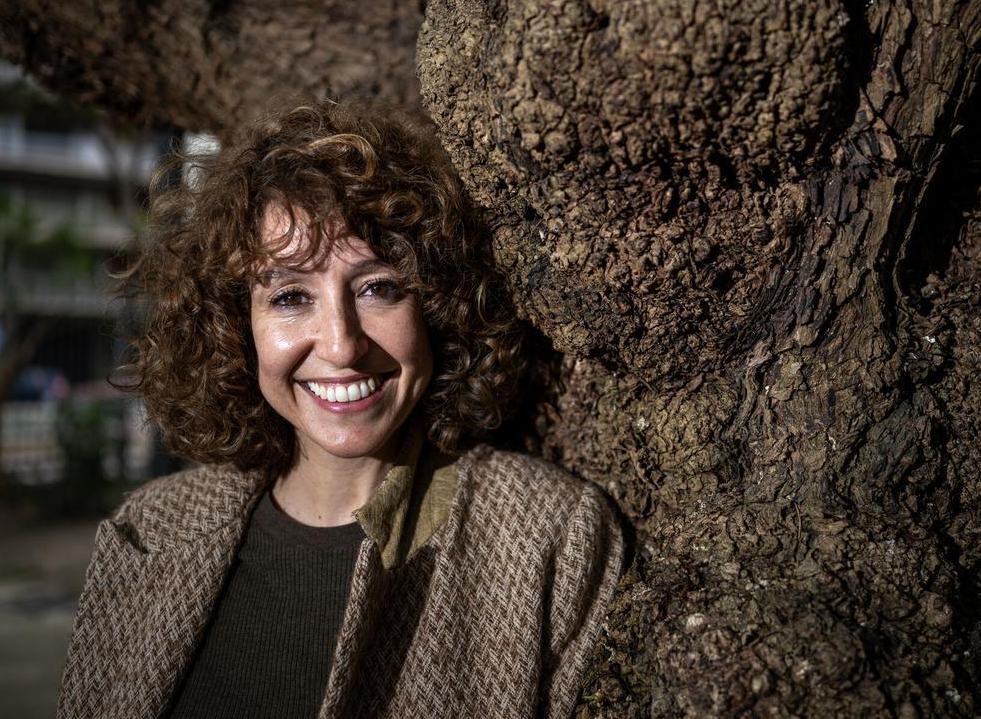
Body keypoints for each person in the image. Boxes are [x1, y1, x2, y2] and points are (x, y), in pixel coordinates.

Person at [56, 99, 624, 719]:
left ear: (436, 309)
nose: (342, 345)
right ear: (235, 328)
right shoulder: (148, 531)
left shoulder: (549, 536)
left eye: (378, 288)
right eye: (291, 296)